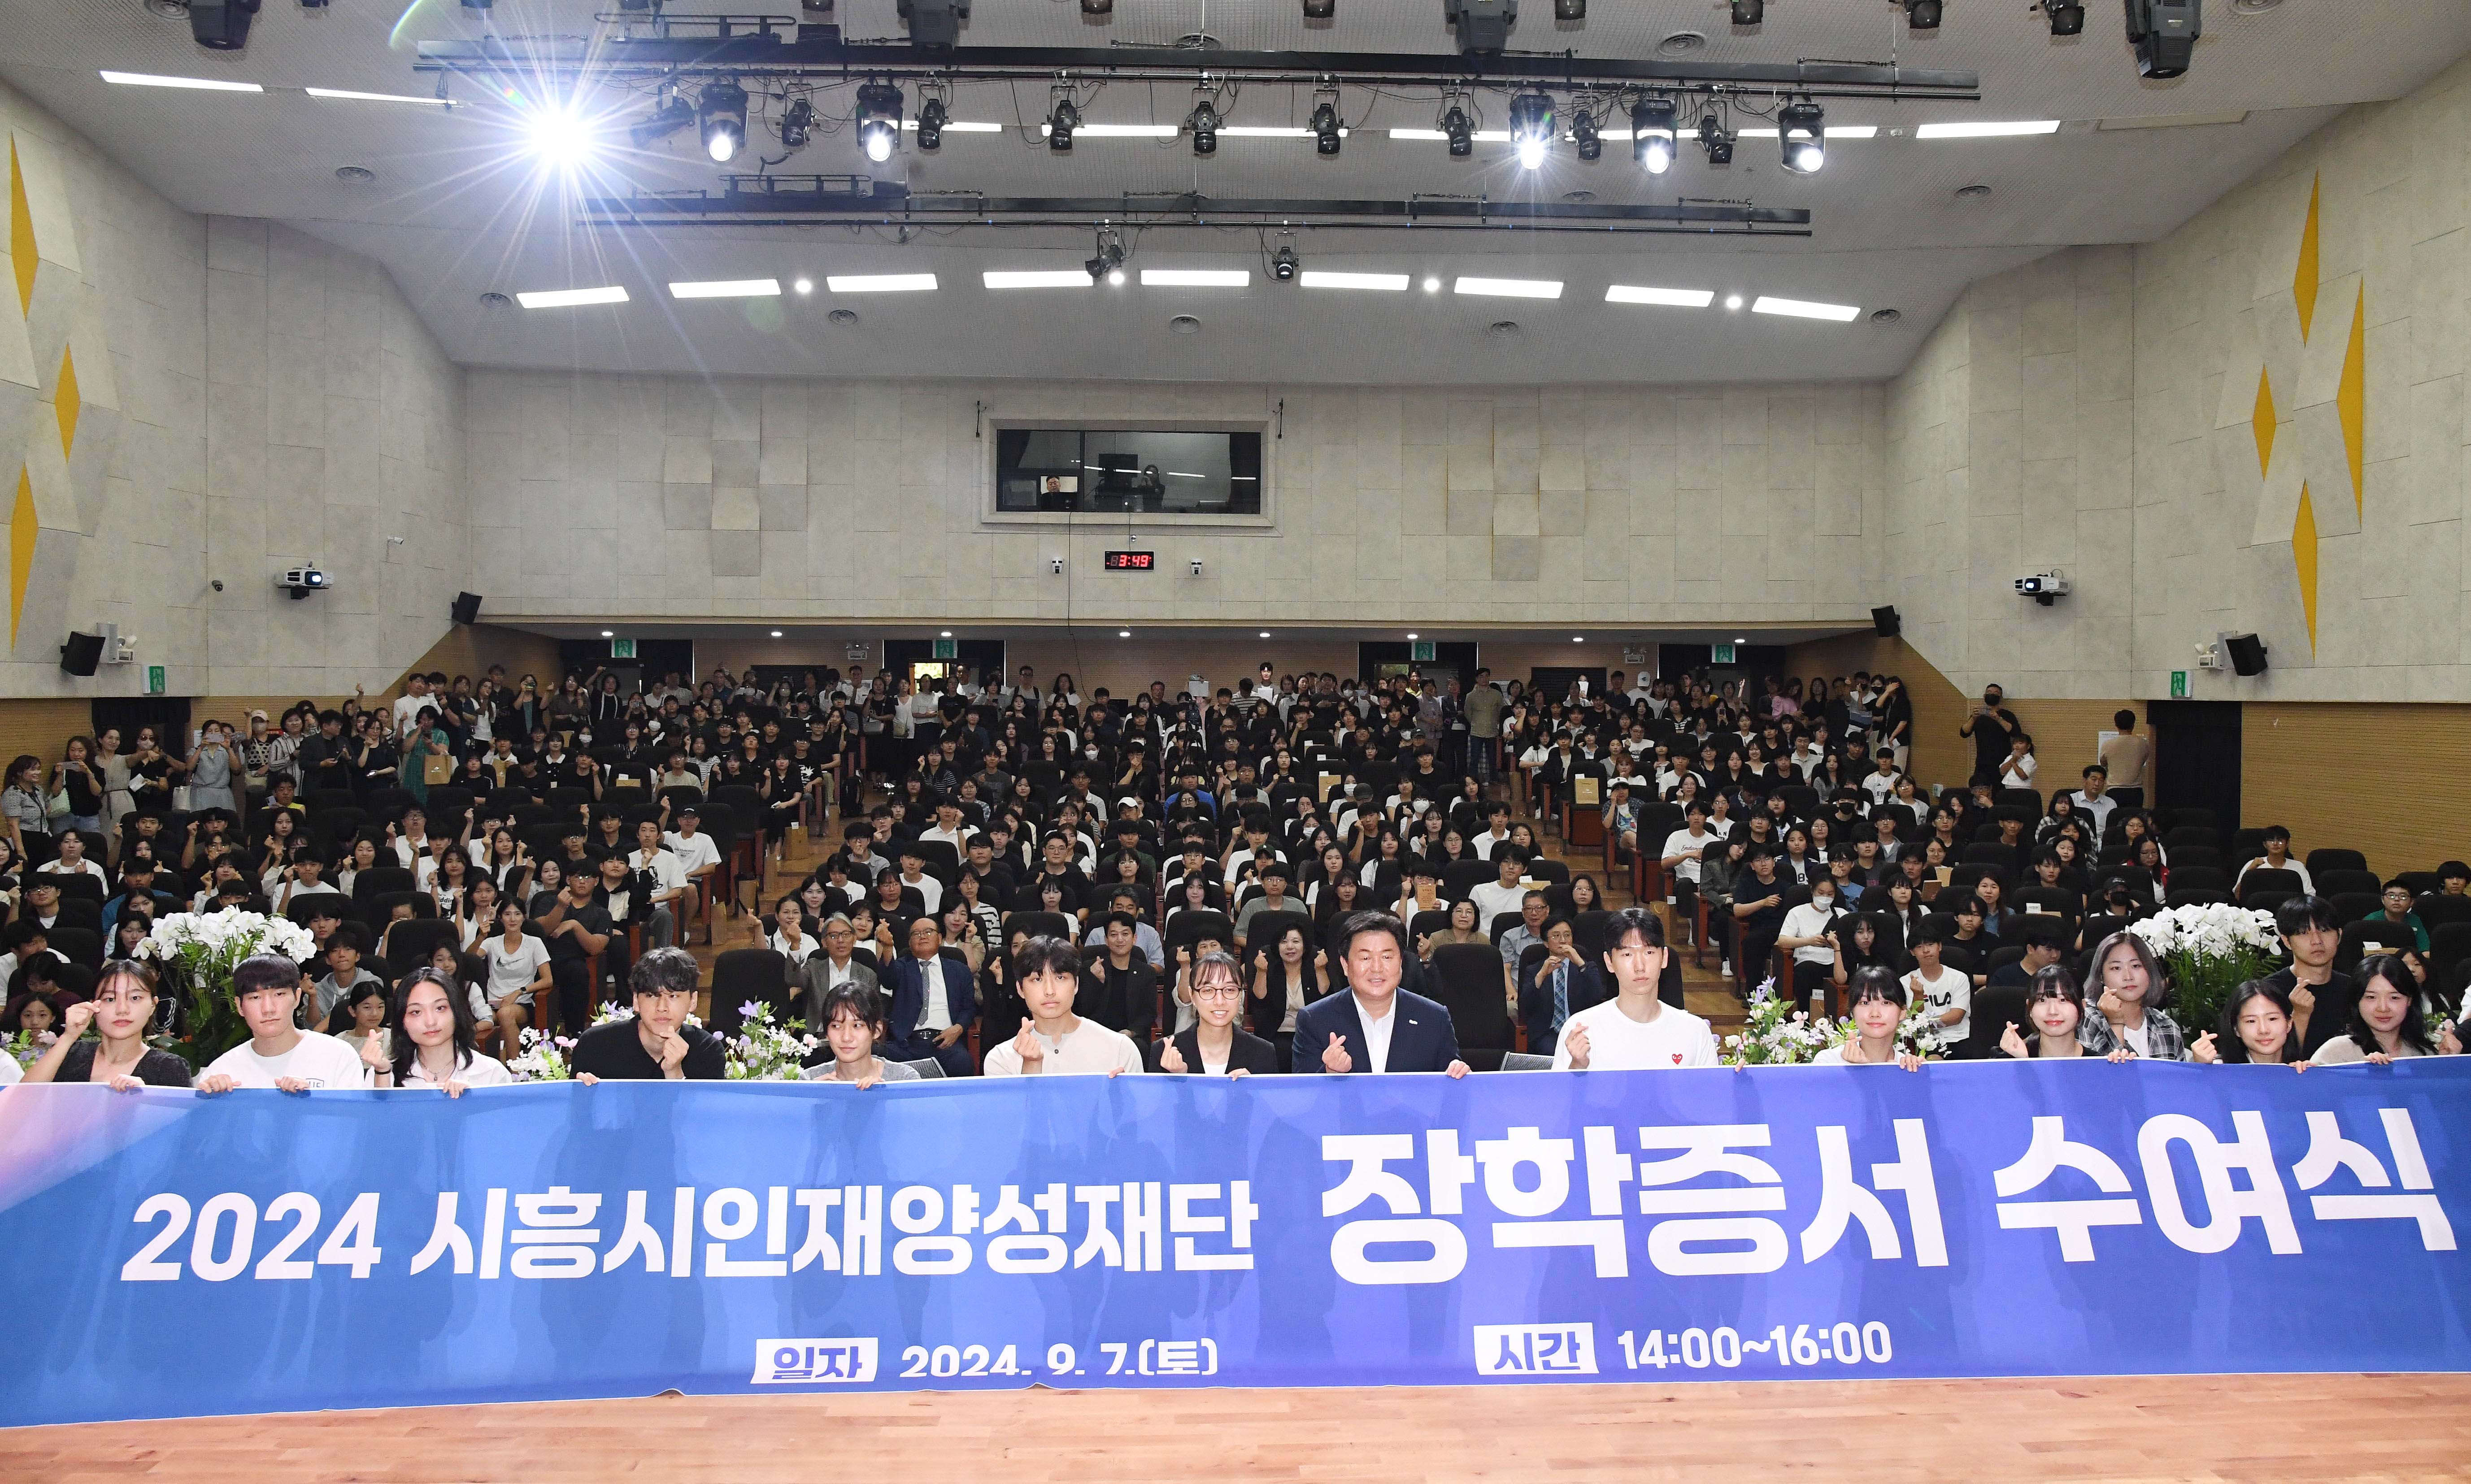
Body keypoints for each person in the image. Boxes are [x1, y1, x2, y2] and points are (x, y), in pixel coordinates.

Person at [1294, 911, 1470, 1076]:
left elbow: (1449, 1088)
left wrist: (1460, 1077)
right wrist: (1329, 1073)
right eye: (1365, 958)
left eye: (1387, 957)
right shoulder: (1314, 1019)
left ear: (1401, 962)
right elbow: (1301, 1094)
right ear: (1345, 965)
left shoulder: (1434, 1018)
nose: (1377, 968)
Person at [1552, 907, 1716, 1070]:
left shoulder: (1695, 1031)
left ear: (1664, 957)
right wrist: (1577, 1068)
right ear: (1609, 962)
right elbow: (1560, 1088)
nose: (1640, 966)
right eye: (1627, 954)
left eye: (1649, 952)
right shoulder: (1581, 1030)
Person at [196, 954, 385, 1093]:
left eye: (279, 994)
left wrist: (309, 1104)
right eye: (255, 997)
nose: (268, 1009)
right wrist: (214, 1105)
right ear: (240, 1006)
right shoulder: (221, 1070)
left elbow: (352, 1127)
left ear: (297, 997)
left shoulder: (338, 1056)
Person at [982, 935, 1143, 1076]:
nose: (1050, 991)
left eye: (1060, 978)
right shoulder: (1000, 1060)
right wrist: (1031, 1066)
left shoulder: (1120, 1050)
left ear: (1076, 984)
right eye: (1037, 980)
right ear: (1020, 989)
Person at [20, 959, 191, 1088]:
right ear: (93, 1006)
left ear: (153, 1005)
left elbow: (180, 1125)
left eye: (135, 998)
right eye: (110, 999)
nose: (122, 1009)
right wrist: (68, 1037)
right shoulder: (71, 1054)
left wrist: (149, 1098)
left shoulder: (170, 1067)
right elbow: (24, 1099)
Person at [571, 947, 727, 1081]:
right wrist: (585, 1094)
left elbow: (703, 1108)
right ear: (636, 1001)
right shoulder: (595, 1044)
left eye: (673, 996)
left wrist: (674, 1073)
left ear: (693, 1001)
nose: (662, 1007)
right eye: (652, 996)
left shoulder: (707, 1051)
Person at [1154, 949, 1278, 1077]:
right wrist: (1179, 1079)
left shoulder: (1264, 1053)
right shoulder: (1164, 1052)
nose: (1220, 1001)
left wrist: (1252, 1087)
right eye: (1208, 990)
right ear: (1192, 996)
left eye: (1230, 990)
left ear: (1241, 995)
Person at [391, 967, 514, 1093]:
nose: (430, 1022)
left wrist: (473, 1099)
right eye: (416, 1012)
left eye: (440, 1008)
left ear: (456, 1012)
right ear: (402, 1021)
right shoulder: (387, 1075)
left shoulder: (492, 1073)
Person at [882, 914, 976, 1077]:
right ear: (910, 943)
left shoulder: (959, 970)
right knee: (878, 1056)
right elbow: (888, 978)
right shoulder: (902, 967)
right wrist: (888, 947)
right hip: (907, 1044)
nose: (922, 936)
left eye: (928, 932)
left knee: (963, 1062)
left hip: (945, 1042)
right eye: (916, 934)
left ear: (939, 938)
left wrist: (958, 1028)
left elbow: (969, 1008)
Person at [2076, 929, 2184, 1060]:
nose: (2128, 977)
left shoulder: (2167, 1026)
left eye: (2136, 966)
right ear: (2101, 976)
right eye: (2116, 968)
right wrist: (2115, 1023)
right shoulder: (2084, 1017)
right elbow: (2094, 1071)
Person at [2269, 896, 2355, 1059]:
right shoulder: (2269, 993)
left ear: (2339, 935)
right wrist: (2300, 1015)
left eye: (2325, 930)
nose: (2317, 941)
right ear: (2287, 941)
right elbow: (2273, 1062)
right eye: (2304, 933)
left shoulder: (2355, 989)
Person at [2310, 955, 2436, 1065]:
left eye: (2394, 998)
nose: (2383, 1008)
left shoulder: (2424, 1055)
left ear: (2409, 1000)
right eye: (2371, 997)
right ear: (2357, 1000)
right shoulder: (2335, 1053)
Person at [801, 981, 921, 1086]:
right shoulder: (809, 1081)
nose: (846, 1038)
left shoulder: (905, 1080)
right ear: (826, 1032)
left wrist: (885, 1098)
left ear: (877, 1030)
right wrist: (814, 1100)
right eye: (836, 1026)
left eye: (857, 1026)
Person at [1518, 915, 1607, 1054]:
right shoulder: (1535, 970)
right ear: (1546, 943)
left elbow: (1598, 995)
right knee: (1556, 1053)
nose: (1563, 940)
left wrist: (1580, 963)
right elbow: (1525, 1006)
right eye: (1556, 936)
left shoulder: (1586, 967)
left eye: (1567, 935)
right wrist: (1542, 975)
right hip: (1548, 1032)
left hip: (1580, 1030)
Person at [479, 898, 552, 1057]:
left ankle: (515, 1066)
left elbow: (548, 980)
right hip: (493, 1002)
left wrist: (519, 992)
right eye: (507, 914)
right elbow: (470, 960)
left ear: (524, 917)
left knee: (505, 1014)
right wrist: (481, 936)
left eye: (517, 914)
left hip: (521, 1002)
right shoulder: (492, 943)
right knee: (483, 1020)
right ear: (500, 918)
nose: (512, 919)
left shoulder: (535, 943)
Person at [1811, 966, 1923, 1069]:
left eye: (1886, 1003)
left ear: (1903, 1012)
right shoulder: (1828, 1062)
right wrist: (1855, 1071)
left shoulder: (1908, 1068)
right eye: (1865, 1003)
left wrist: (1920, 1075)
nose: (1875, 1014)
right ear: (1852, 1012)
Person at [2191, 979, 2306, 1067]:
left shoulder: (2300, 1071)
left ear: (2289, 1024)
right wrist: (2202, 1070)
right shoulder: (2220, 1069)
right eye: (2251, 1021)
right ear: (2236, 1029)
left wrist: (2306, 1078)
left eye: (2272, 1019)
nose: (2263, 1030)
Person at [1777, 876, 1844, 1018]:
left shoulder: (1842, 914)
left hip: (1835, 961)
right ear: (1813, 891)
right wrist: (1809, 941)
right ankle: (1806, 1017)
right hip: (1808, 961)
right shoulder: (1797, 912)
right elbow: (1782, 941)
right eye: (1821, 893)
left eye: (1830, 894)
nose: (1825, 898)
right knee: (1806, 971)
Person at [1998, 965, 2098, 1059]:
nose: (2052, 1012)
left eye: (2063, 1000)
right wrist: (2020, 1062)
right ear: (2030, 1008)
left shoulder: (2099, 1063)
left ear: (2082, 1006)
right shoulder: (2010, 1058)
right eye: (2042, 1000)